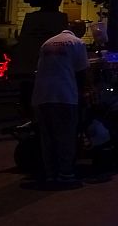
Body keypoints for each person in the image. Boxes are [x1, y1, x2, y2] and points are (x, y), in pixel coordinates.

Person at [31, 21, 90, 187]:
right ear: (80, 31)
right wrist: (84, 93)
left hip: (41, 96)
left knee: (47, 138)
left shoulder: (47, 43)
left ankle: (50, 173)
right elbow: (82, 72)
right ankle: (66, 173)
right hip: (64, 95)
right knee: (66, 136)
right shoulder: (77, 43)